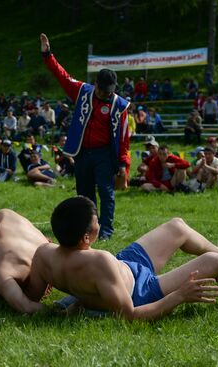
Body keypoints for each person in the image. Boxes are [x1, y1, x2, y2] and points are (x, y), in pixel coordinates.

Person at [25, 196, 218, 321]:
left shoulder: (43, 253)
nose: (99, 223)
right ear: (86, 237)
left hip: (122, 268)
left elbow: (33, 296)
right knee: (214, 263)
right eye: (96, 223)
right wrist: (179, 296)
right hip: (142, 290)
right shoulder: (99, 262)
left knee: (177, 226)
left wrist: (77, 300)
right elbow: (130, 315)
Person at [41, 33, 130, 240]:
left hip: (104, 154)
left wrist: (124, 164)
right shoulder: (82, 91)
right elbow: (62, 76)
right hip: (82, 152)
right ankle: (88, 229)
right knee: (84, 195)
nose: (105, 94)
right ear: (95, 84)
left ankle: (106, 231)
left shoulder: (120, 105)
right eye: (102, 89)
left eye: (108, 91)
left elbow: (124, 138)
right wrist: (47, 54)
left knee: (107, 193)